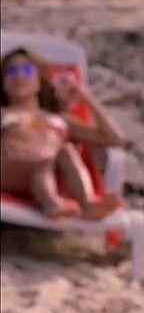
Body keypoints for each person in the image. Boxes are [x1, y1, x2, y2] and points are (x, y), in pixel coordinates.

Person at [1, 47, 127, 219]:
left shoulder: (60, 120)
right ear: (3, 82)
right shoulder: (4, 114)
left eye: (27, 70)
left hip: (44, 171)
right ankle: (51, 204)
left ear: (40, 80)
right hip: (6, 170)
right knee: (43, 161)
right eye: (11, 71)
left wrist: (85, 97)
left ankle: (88, 203)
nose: (19, 75)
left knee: (65, 150)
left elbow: (115, 138)